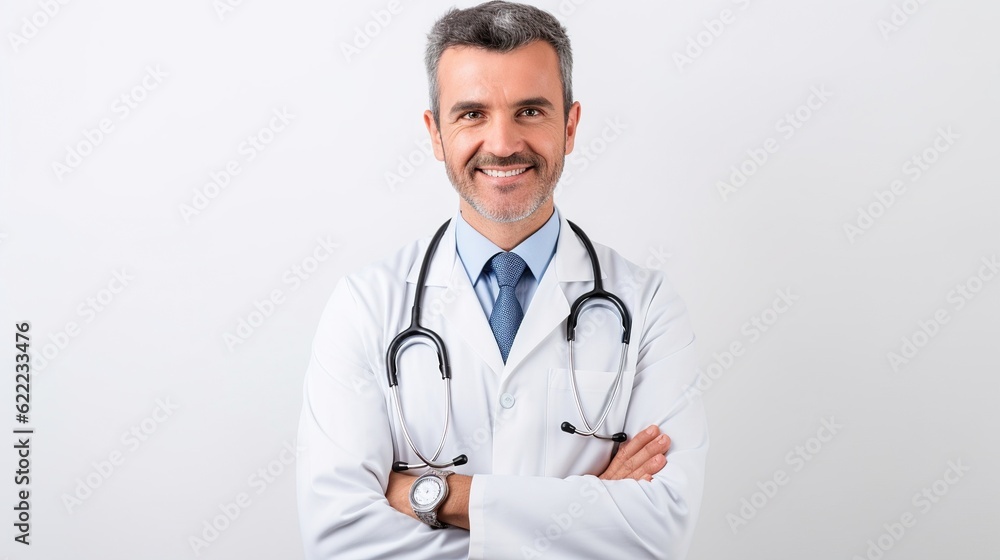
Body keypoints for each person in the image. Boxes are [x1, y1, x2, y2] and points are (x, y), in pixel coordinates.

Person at [296, 2, 708, 558]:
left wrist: (438, 496)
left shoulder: (649, 306)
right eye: (471, 114)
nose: (503, 143)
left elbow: (662, 529)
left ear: (571, 125)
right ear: (435, 133)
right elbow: (339, 538)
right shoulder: (366, 307)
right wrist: (590, 510)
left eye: (530, 111)